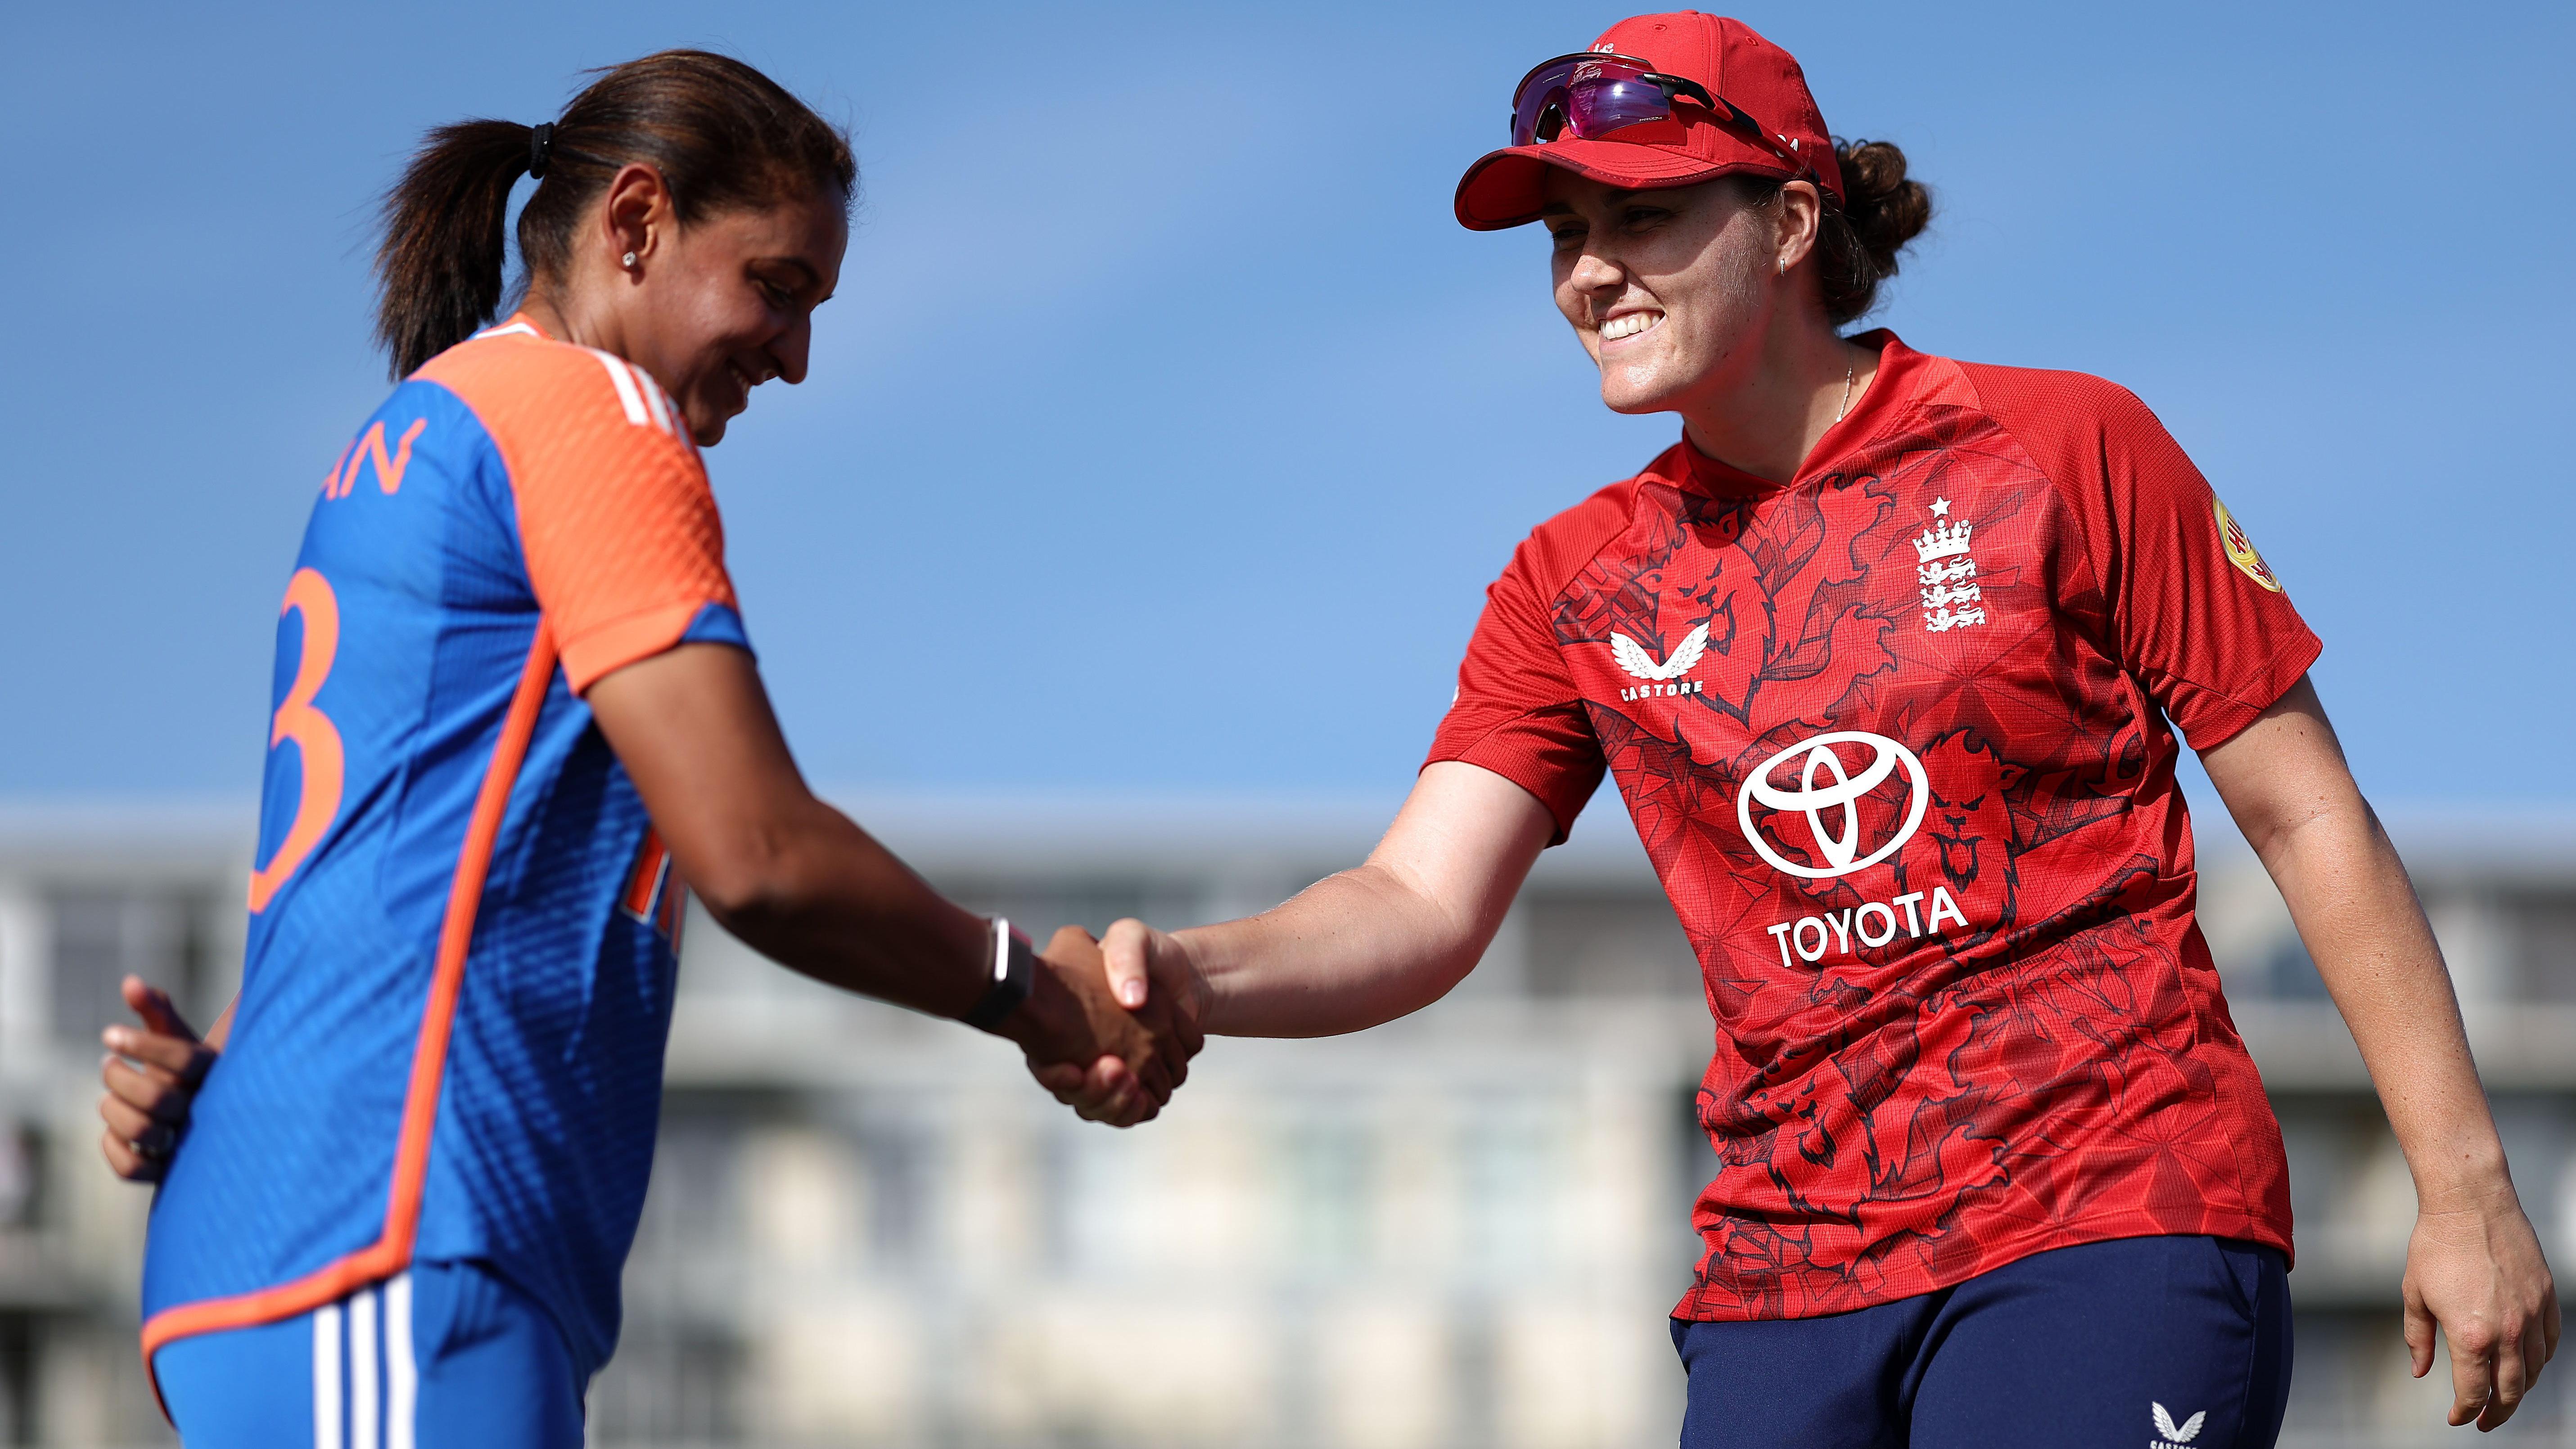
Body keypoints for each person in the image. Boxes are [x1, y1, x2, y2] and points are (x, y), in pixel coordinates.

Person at [1065, 14, 2561, 1446]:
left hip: (2110, 1207)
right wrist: (1191, 971)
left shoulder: (2063, 446)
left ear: (1788, 225)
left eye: (1638, 221)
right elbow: (1416, 902)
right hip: (1784, 1273)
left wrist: (2462, 1178)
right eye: (1564, 235)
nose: (1589, 274)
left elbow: (2306, 815)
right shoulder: (1567, 580)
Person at [94, 50, 1194, 1447]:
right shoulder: (586, 413)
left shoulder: (420, 429)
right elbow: (756, 852)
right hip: (398, 1243)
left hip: (327, 1255)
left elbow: (402, 870)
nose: (796, 355)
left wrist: (241, 1079)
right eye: (779, 286)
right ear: (635, 223)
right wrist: (1029, 990)